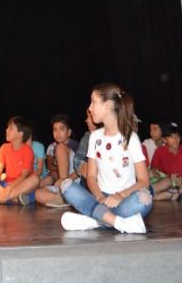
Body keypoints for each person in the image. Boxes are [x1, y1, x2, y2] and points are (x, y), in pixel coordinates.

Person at [60, 83, 152, 234]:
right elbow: (91, 176)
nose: (90, 108)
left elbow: (144, 181)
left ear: (108, 105)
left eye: (93, 102)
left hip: (124, 199)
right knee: (67, 187)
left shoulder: (130, 137)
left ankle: (96, 220)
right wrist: (99, 197)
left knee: (143, 199)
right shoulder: (94, 137)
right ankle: (118, 222)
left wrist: (119, 196)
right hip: (100, 198)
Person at [15, 115, 78, 207]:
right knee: (38, 194)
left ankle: (69, 196)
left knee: (59, 150)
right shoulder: (53, 146)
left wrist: (64, 181)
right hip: (61, 183)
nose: (58, 133)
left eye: (61, 129)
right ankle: (64, 200)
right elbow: (50, 165)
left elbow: (81, 170)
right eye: (55, 129)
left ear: (69, 132)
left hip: (73, 183)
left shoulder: (76, 147)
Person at [0, 116, 34, 205]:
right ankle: (16, 199)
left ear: (20, 133)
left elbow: (23, 176)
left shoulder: (28, 151)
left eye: (11, 128)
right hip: (6, 183)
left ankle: (0, 197)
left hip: (20, 185)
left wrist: (9, 188)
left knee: (35, 180)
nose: (6, 130)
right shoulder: (4, 147)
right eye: (7, 128)